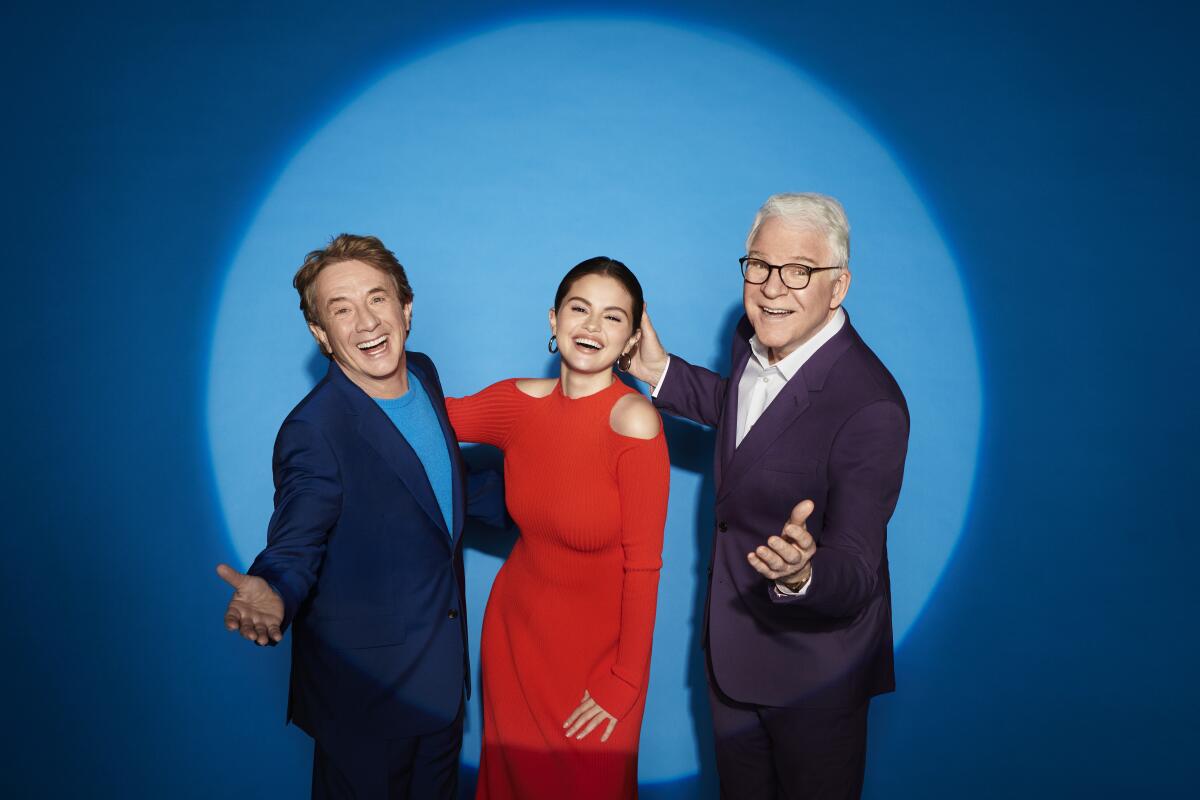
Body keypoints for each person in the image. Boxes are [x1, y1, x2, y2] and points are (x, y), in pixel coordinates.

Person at [628, 194, 910, 799]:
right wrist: (660, 371)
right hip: (731, 658)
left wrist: (802, 573)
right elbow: (748, 414)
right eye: (759, 264)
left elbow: (857, 568)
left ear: (838, 287)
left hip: (815, 678)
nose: (772, 287)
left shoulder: (871, 405)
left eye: (799, 271)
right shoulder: (753, 336)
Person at [215, 234, 503, 799]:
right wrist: (274, 586)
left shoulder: (423, 373)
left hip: (441, 688)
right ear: (320, 334)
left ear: (406, 308)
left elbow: (437, 486)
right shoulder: (314, 430)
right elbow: (299, 535)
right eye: (340, 310)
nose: (365, 322)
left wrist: (552, 495)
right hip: (365, 706)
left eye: (377, 298)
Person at [445, 257, 670, 799]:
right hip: (515, 641)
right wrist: (366, 352)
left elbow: (643, 569)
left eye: (613, 318)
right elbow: (417, 419)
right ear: (553, 320)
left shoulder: (634, 421)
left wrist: (626, 683)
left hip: (602, 664)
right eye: (579, 309)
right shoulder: (515, 405)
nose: (592, 328)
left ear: (632, 338)